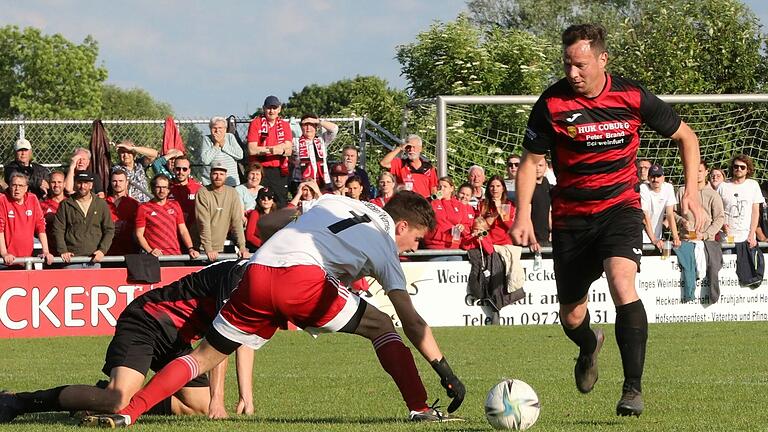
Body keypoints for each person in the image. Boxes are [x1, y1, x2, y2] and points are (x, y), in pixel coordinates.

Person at [82, 192, 465, 427]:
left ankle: (128, 414)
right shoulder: (383, 242)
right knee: (383, 325)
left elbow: (267, 225)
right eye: (416, 238)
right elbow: (412, 321)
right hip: (302, 280)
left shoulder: (336, 201)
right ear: (400, 225)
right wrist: (444, 369)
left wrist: (301, 215)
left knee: (202, 357)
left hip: (254, 273)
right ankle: (419, 408)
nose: (413, 247)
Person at [510, 23, 704, 418]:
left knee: (621, 283)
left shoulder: (632, 96)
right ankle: (588, 345)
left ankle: (632, 389)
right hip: (571, 219)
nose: (572, 73)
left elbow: (688, 137)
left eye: (580, 65)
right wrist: (524, 214)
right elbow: (530, 163)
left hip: (620, 209)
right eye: (567, 65)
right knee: (571, 314)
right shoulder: (551, 103)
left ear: (602, 59)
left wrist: (693, 194)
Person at [0, 259, 254, 423]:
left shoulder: (257, 284)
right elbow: (221, 339)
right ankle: (18, 401)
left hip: (177, 340)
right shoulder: (236, 275)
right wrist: (217, 400)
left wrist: (246, 396)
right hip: (148, 320)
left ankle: (100, 395)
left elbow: (242, 337)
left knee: (197, 407)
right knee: (117, 400)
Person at [52, 171, 114, 268]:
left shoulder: (101, 204)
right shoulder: (65, 204)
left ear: (91, 185)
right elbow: (58, 229)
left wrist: (102, 250)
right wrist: (63, 250)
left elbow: (109, 229)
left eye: (86, 183)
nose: (82, 186)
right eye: (79, 183)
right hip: (71, 260)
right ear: (75, 184)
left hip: (94, 259)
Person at [136, 174, 199, 262]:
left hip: (175, 256)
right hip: (156, 258)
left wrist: (190, 248)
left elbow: (183, 230)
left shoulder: (175, 205)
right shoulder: (143, 208)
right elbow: (139, 234)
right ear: (153, 188)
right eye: (158, 187)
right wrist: (150, 251)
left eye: (165, 187)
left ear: (169, 189)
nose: (162, 190)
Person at [195, 163, 249, 261]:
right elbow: (203, 222)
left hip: (222, 247)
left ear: (226, 176)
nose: (218, 177)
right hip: (203, 248)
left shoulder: (232, 193)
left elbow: (237, 221)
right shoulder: (203, 192)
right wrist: (208, 249)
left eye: (221, 174)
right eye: (215, 173)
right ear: (210, 174)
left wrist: (242, 247)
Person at [246, 96, 293, 207]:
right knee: (259, 201)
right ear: (264, 108)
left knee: (281, 202)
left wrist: (263, 149)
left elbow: (289, 150)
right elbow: (252, 149)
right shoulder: (256, 123)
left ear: (279, 109)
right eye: (269, 108)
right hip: (260, 169)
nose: (271, 111)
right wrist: (275, 149)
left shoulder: (285, 125)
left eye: (274, 108)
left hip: (279, 170)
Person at [0, 173, 53, 268]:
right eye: (14, 185)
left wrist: (46, 251)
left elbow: (40, 226)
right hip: (6, 260)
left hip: (27, 259)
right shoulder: (2, 200)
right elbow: (0, 229)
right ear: (9, 186)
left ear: (26, 188)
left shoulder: (32, 199)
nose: (17, 189)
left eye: (20, 186)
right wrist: (4, 253)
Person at [718, 154, 764, 246]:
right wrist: (722, 225)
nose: (739, 169)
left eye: (742, 167)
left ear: (747, 170)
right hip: (727, 238)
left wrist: (751, 234)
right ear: (732, 168)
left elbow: (755, 212)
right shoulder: (723, 186)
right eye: (736, 166)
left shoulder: (753, 185)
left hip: (746, 238)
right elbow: (717, 210)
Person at [423, 176, 473, 258]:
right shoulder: (430, 202)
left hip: (454, 247)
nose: (441, 189)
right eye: (439, 187)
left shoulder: (459, 205)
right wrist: (436, 200)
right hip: (434, 247)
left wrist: (462, 227)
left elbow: (467, 225)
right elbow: (429, 216)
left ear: (451, 188)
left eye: (445, 186)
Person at [675, 160, 724, 241]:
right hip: (686, 239)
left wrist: (705, 235)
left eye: (700, 171)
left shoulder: (713, 194)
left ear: (706, 172)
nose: (697, 174)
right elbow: (673, 213)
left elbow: (719, 218)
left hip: (707, 242)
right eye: (694, 171)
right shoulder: (682, 191)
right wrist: (682, 221)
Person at [380, 134, 438, 198]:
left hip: (423, 205)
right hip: (406, 204)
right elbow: (384, 163)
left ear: (420, 149)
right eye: (408, 147)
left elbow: (433, 189)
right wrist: (399, 148)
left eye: (414, 147)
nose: (411, 150)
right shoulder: (401, 164)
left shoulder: (429, 168)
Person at [291, 114, 337, 190]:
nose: (308, 128)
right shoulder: (295, 141)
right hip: (301, 181)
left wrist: (317, 121)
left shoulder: (321, 140)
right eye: (305, 125)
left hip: (323, 181)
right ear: (301, 127)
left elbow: (334, 129)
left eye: (312, 124)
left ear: (316, 126)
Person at [640, 164, 680, 251]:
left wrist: (676, 237)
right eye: (653, 177)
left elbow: (670, 214)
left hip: (658, 238)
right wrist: (653, 239)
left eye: (658, 176)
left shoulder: (668, 188)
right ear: (648, 178)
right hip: (641, 237)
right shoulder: (643, 188)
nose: (655, 180)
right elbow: (644, 217)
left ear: (663, 178)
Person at [168, 156, 202, 248]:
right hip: (172, 234)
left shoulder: (198, 189)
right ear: (173, 169)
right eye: (178, 169)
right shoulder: (166, 188)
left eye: (184, 169)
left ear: (189, 171)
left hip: (193, 234)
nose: (181, 172)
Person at [200, 117, 243, 187]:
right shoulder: (207, 139)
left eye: (220, 128)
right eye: (214, 128)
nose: (217, 130)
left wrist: (223, 144)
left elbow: (240, 155)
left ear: (225, 129)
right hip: (211, 183)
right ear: (210, 129)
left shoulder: (230, 137)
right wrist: (216, 144)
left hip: (230, 183)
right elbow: (205, 160)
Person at [105, 170, 140, 256]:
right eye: (114, 181)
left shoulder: (135, 204)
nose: (117, 184)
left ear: (126, 183)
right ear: (110, 182)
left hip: (129, 252)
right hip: (107, 251)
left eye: (121, 181)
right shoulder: (102, 203)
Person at [477, 176, 514, 246]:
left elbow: (510, 225)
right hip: (487, 242)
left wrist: (500, 208)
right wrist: (496, 212)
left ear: (503, 188)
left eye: (498, 186)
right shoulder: (483, 204)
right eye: (492, 186)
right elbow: (482, 226)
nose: (495, 189)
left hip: (504, 243)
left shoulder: (508, 204)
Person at [40, 171, 67, 256]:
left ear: (64, 184)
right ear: (48, 184)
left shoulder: (71, 203)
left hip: (69, 250)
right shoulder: (42, 205)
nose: (56, 185)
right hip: (51, 251)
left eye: (59, 182)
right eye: (53, 182)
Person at [244, 187, 278, 251]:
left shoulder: (276, 215)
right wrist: (265, 245)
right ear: (258, 200)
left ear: (273, 200)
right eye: (263, 198)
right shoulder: (255, 213)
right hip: (258, 248)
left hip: (273, 247)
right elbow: (249, 236)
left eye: (269, 198)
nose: (266, 200)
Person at [530, 157, 552, 245]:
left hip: (546, 237)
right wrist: (532, 240)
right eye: (535, 165)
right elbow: (525, 215)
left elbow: (548, 211)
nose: (538, 168)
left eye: (540, 165)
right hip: (531, 240)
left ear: (546, 166)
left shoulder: (546, 184)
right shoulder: (527, 187)